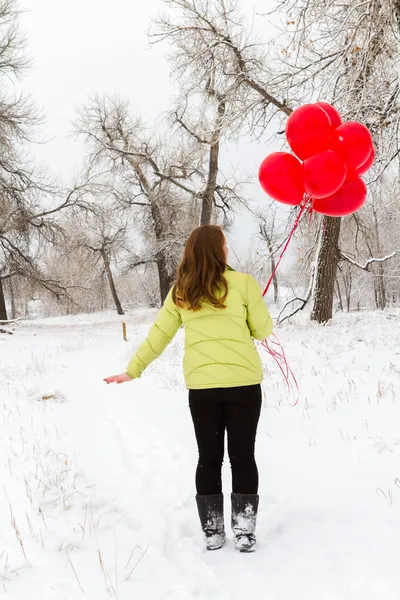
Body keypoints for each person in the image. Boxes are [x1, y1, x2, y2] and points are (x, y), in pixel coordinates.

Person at [104, 225, 273, 553]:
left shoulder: (181, 290)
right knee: (242, 457)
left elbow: (159, 336)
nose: (227, 249)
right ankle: (244, 533)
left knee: (208, 458)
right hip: (244, 387)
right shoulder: (244, 284)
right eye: (225, 244)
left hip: (203, 391)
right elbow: (263, 331)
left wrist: (133, 370)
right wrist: (254, 307)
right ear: (218, 249)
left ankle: (212, 533)